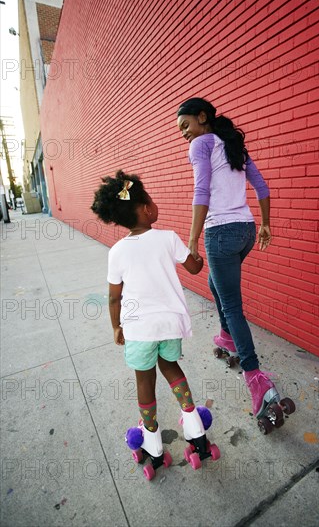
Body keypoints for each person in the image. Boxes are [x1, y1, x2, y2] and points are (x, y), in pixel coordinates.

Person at [91, 170, 220, 479]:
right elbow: (194, 267)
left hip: (138, 329)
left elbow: (113, 298)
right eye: (150, 199)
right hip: (169, 324)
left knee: (145, 381)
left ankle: (153, 445)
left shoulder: (117, 252)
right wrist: (194, 250)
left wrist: (116, 327)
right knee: (172, 369)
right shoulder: (167, 238)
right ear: (146, 209)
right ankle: (196, 431)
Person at [177, 97, 284, 425]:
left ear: (203, 117)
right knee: (216, 284)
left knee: (233, 305)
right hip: (246, 232)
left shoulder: (201, 146)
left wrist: (193, 238)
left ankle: (255, 378)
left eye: (186, 126)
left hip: (221, 234)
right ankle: (226, 335)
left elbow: (202, 192)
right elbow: (262, 188)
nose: (184, 134)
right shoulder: (233, 145)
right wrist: (265, 224)